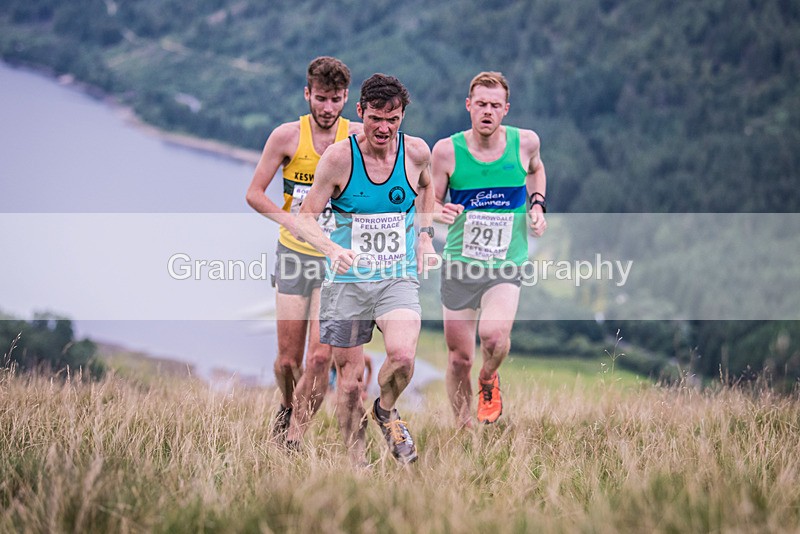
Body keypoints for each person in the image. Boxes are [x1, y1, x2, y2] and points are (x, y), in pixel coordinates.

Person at [295, 73, 438, 465]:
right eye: (376, 117)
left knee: (403, 357)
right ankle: (356, 462)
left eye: (393, 119)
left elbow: (427, 188)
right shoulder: (340, 158)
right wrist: (330, 248)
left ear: (402, 117)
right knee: (350, 382)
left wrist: (424, 236)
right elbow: (305, 217)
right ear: (360, 112)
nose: (384, 127)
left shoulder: (416, 153)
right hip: (346, 282)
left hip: (397, 276)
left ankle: (386, 411)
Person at [245, 57, 363, 448]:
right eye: (321, 99)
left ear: (347, 98)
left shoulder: (358, 138)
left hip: (335, 260)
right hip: (294, 254)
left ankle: (294, 435)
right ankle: (287, 403)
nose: (328, 108)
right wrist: (293, 221)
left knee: (318, 359)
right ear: (307, 94)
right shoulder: (286, 137)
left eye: (336, 100)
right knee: (288, 362)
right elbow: (254, 194)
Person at [431, 71, 547, 428]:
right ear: (468, 106)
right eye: (480, 104)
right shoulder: (447, 151)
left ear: (506, 110)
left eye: (495, 105)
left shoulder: (525, 143)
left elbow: (537, 170)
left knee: (494, 338)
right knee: (459, 358)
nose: (487, 111)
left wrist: (538, 204)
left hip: (505, 263)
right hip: (461, 264)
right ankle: (463, 427)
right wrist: (438, 211)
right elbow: (429, 202)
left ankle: (488, 379)